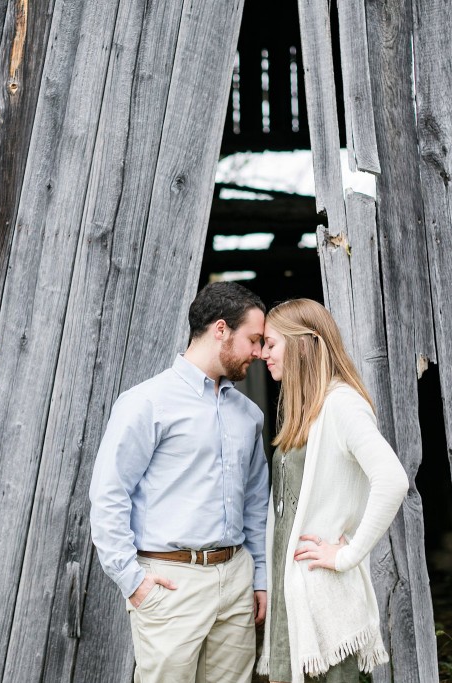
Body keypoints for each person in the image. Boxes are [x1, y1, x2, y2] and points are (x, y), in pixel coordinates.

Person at [89, 281, 270, 683]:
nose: (259, 352)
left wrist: (259, 578)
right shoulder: (147, 403)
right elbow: (108, 495)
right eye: (253, 340)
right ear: (220, 330)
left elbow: (256, 504)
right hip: (170, 582)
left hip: (236, 577)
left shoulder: (248, 415)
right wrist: (131, 580)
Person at [256, 298, 409, 683]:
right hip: (293, 593)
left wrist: (348, 554)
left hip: (326, 600)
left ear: (302, 343)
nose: (262, 354)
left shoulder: (342, 405)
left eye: (271, 344)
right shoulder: (308, 409)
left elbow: (392, 480)